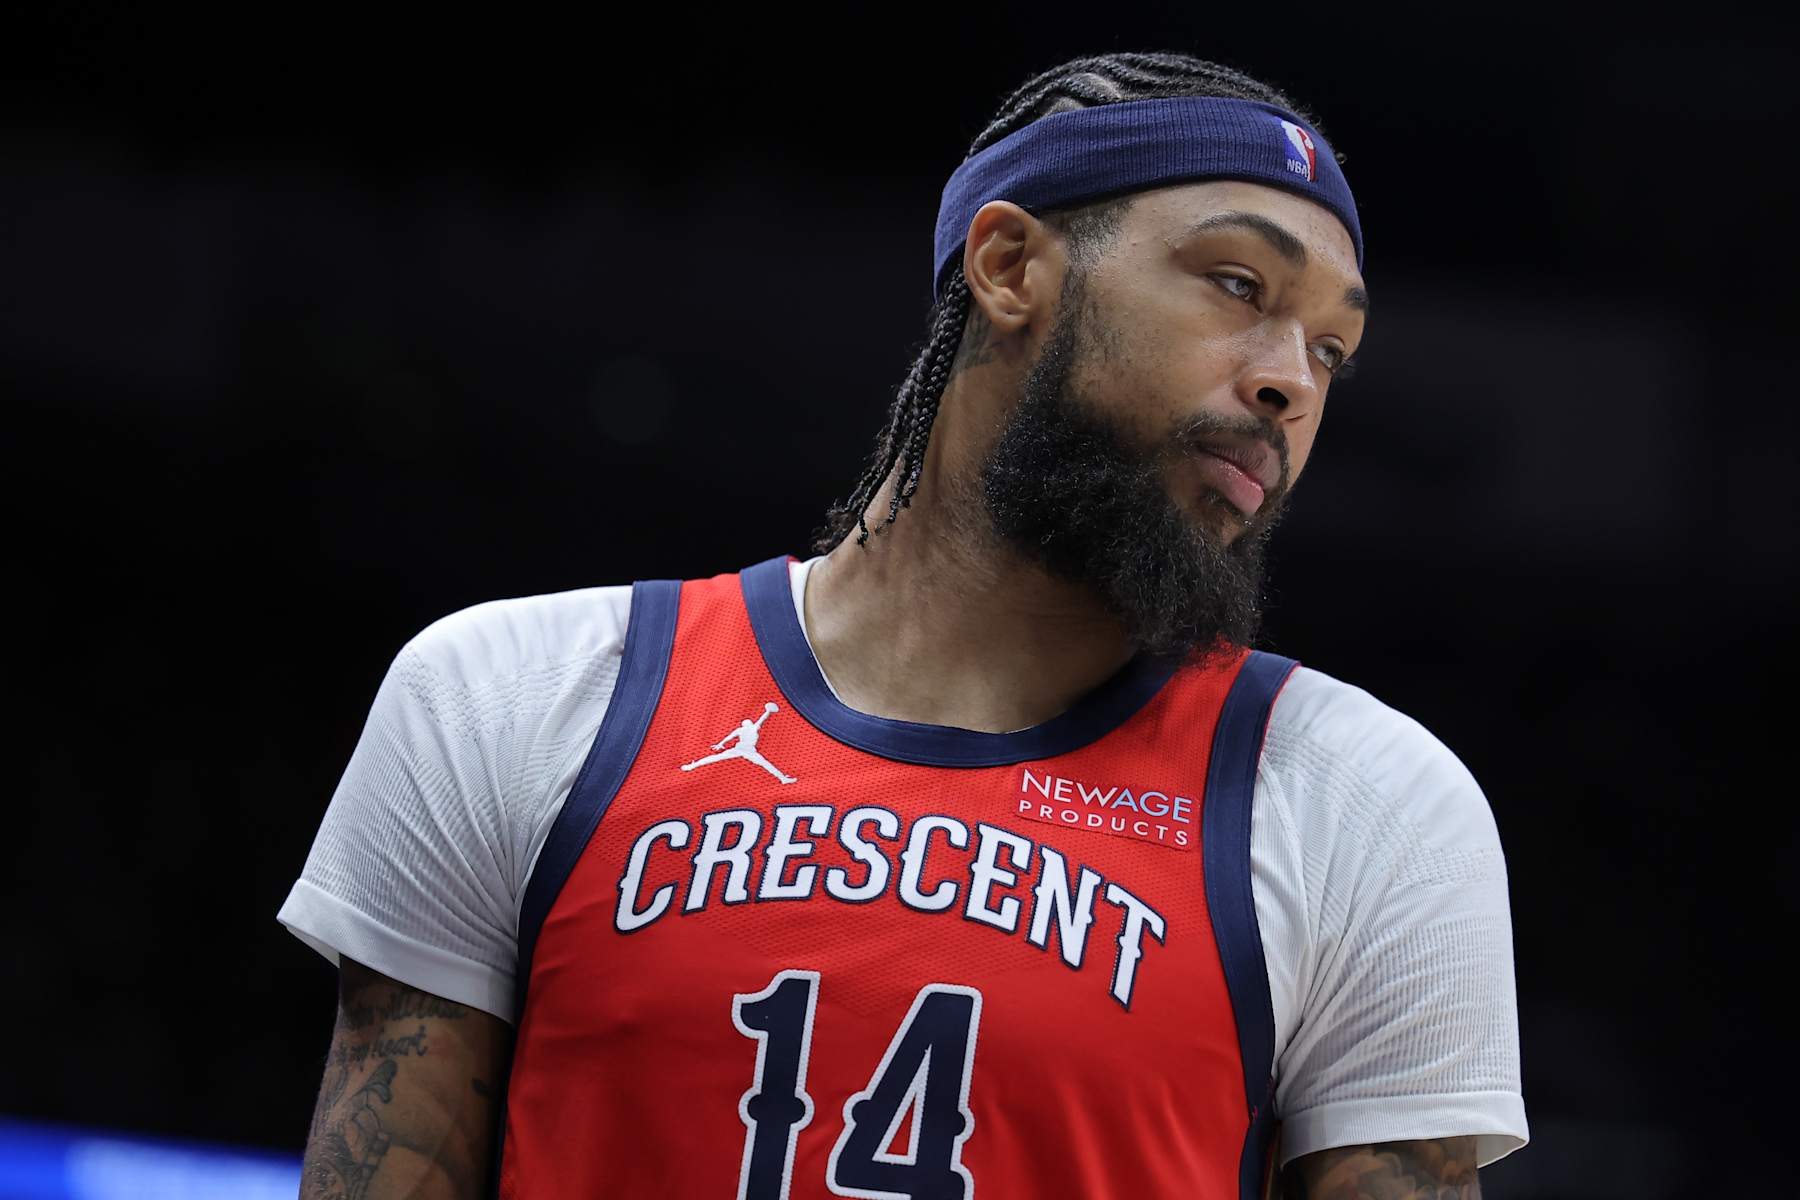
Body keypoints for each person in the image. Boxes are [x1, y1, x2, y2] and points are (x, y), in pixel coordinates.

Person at [281, 50, 1528, 1200]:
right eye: (1238, 285)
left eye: (1331, 349)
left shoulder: (1369, 803)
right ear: (1008, 267)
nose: (1289, 381)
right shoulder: (516, 693)